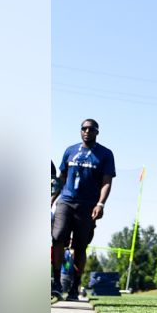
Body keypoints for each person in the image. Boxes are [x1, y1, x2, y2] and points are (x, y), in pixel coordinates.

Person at [52, 119, 115, 301]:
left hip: (87, 205)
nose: (87, 131)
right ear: (80, 131)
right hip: (66, 201)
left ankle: (74, 287)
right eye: (84, 129)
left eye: (91, 129)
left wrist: (100, 204)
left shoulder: (105, 154)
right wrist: (52, 199)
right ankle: (56, 282)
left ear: (97, 132)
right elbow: (61, 177)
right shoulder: (70, 151)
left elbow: (106, 182)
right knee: (57, 238)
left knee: (79, 247)